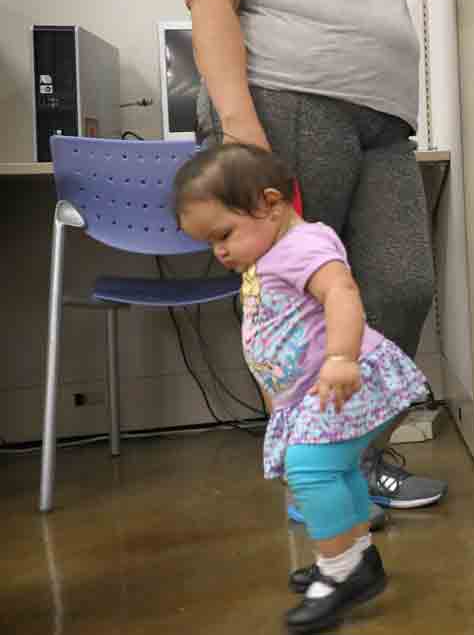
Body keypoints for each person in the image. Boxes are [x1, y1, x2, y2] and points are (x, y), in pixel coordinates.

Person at [185, 0, 454, 515]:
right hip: (287, 104)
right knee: (299, 306)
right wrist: (241, 132)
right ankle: (319, 480)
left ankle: (352, 458)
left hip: (382, 121)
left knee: (402, 286)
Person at [174, 144, 429, 632]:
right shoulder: (269, 248)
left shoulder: (301, 245)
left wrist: (340, 357)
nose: (219, 252)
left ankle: (339, 574)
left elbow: (341, 292)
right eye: (209, 243)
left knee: (310, 469)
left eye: (223, 235)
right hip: (311, 390)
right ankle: (356, 559)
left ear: (270, 203)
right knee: (335, 469)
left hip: (339, 381)